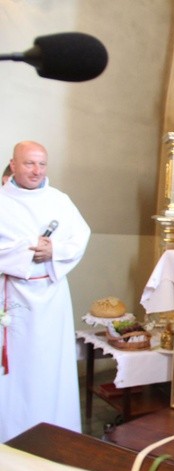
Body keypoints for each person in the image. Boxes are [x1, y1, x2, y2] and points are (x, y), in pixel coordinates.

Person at [0, 141, 91, 441]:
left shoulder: (60, 201)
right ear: (13, 164)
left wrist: (54, 249)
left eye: (42, 164)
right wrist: (27, 252)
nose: (37, 170)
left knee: (49, 366)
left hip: (51, 297)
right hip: (11, 296)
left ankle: (54, 432)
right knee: (15, 374)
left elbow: (80, 236)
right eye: (29, 164)